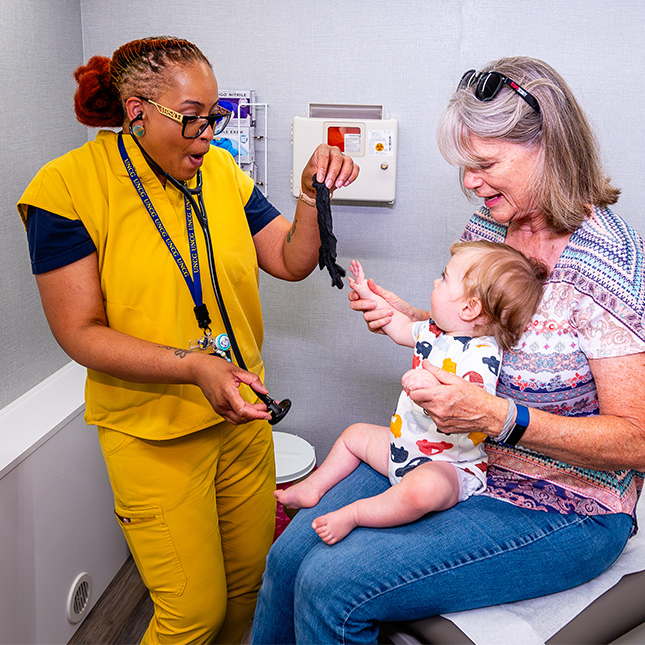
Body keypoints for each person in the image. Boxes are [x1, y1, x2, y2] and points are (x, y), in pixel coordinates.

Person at [251, 56, 645, 645]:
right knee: (288, 558)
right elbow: (474, 335)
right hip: (459, 458)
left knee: (332, 585)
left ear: (551, 148)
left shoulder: (609, 264)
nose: (470, 182)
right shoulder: (492, 225)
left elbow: (637, 440)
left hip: (561, 505)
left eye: (485, 164)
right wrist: (406, 317)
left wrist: (500, 419)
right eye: (465, 165)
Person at [17, 37, 358, 644]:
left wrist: (311, 192)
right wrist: (194, 367)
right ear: (136, 111)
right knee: (190, 614)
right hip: (153, 435)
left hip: (242, 420)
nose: (206, 134)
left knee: (249, 590)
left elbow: (290, 259)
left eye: (214, 115)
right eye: (192, 119)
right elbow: (79, 332)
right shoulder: (65, 189)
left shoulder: (221, 170)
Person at [277, 243, 546, 545]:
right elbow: (398, 325)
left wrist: (430, 385)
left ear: (469, 308)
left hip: (449, 466)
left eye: (444, 278)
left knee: (422, 492)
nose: (435, 282)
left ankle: (353, 514)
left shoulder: (482, 354)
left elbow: (471, 399)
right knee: (353, 436)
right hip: (402, 449)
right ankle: (313, 486)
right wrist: (370, 297)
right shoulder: (432, 331)